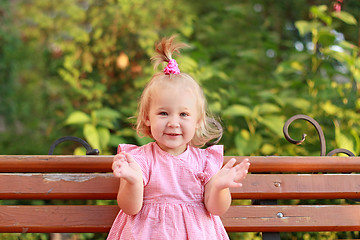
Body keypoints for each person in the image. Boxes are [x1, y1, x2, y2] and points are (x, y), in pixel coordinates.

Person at [107, 35, 250, 240]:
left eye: (183, 114)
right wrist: (132, 182)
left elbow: (216, 208)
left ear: (198, 121)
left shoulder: (204, 162)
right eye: (163, 113)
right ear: (147, 118)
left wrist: (220, 186)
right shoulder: (139, 160)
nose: (173, 122)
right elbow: (130, 208)